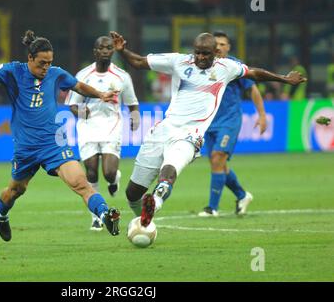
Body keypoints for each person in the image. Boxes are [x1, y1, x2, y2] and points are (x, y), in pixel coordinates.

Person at [109, 31, 306, 227]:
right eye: (198, 53)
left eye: (206, 54)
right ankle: (144, 220)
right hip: (163, 130)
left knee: (170, 169)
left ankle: (158, 200)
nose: (201, 58)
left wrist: (284, 79)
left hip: (190, 136)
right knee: (132, 193)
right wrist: (123, 50)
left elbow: (254, 74)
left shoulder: (226, 67)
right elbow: (139, 62)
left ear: (215, 53)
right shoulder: (178, 61)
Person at [0, 30, 121, 241]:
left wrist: (100, 94)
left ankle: (105, 214)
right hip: (26, 148)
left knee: (80, 182)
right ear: (30, 58)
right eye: (42, 62)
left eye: (49, 62)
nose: (46, 67)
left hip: (54, 143)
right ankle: (1, 214)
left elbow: (78, 85)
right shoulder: (13, 71)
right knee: (15, 191)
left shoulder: (55, 74)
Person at [66, 36, 140, 231]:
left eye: (109, 48)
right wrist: (81, 111)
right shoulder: (83, 75)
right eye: (101, 48)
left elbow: (132, 102)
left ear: (112, 51)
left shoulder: (121, 76)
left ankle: (114, 179)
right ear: (95, 51)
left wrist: (135, 117)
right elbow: (72, 105)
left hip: (112, 126)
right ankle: (96, 217)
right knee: (90, 171)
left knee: (107, 173)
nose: (106, 51)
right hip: (87, 127)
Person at [198, 31, 267, 217]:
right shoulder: (203, 65)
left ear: (228, 47)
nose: (219, 47)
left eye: (223, 44)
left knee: (218, 158)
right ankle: (242, 195)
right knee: (218, 164)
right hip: (210, 122)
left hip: (230, 120)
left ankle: (212, 208)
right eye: (216, 44)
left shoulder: (235, 66)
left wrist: (262, 115)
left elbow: (252, 89)